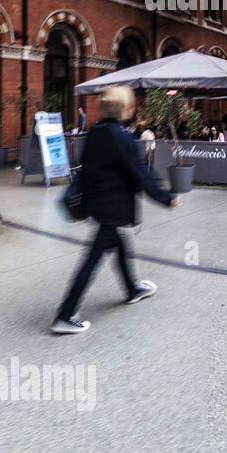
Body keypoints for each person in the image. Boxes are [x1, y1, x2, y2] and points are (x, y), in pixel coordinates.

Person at [53, 86, 175, 336]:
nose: (133, 109)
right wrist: (165, 198)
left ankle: (132, 289)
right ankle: (65, 314)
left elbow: (88, 169)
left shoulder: (96, 131)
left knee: (119, 245)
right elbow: (140, 173)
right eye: (131, 105)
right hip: (112, 207)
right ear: (124, 109)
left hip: (99, 204)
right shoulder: (120, 137)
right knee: (93, 259)